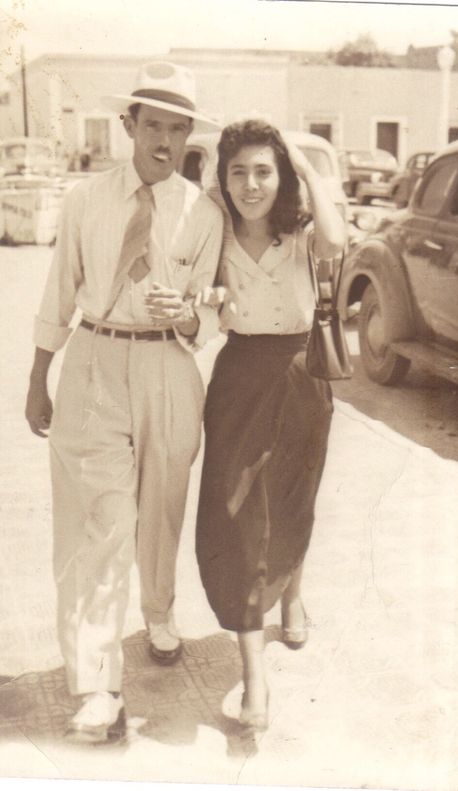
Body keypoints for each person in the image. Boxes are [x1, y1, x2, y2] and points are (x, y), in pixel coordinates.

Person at [24, 61, 224, 743]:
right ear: (128, 126)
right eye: (153, 127)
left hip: (169, 366)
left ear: (189, 133)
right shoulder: (86, 200)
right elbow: (58, 290)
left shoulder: (205, 212)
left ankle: (160, 610)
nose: (165, 143)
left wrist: (188, 316)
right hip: (96, 360)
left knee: (163, 505)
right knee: (100, 526)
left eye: (178, 129)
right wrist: (37, 375)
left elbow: (212, 314)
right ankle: (98, 683)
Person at [196, 119, 346, 733]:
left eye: (264, 171)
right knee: (234, 515)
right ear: (222, 177)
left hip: (300, 372)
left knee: (291, 498)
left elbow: (337, 243)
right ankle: (254, 677)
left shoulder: (303, 229)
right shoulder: (213, 228)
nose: (251, 184)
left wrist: (305, 165)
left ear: (281, 176)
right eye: (239, 172)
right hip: (239, 377)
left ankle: (292, 593)